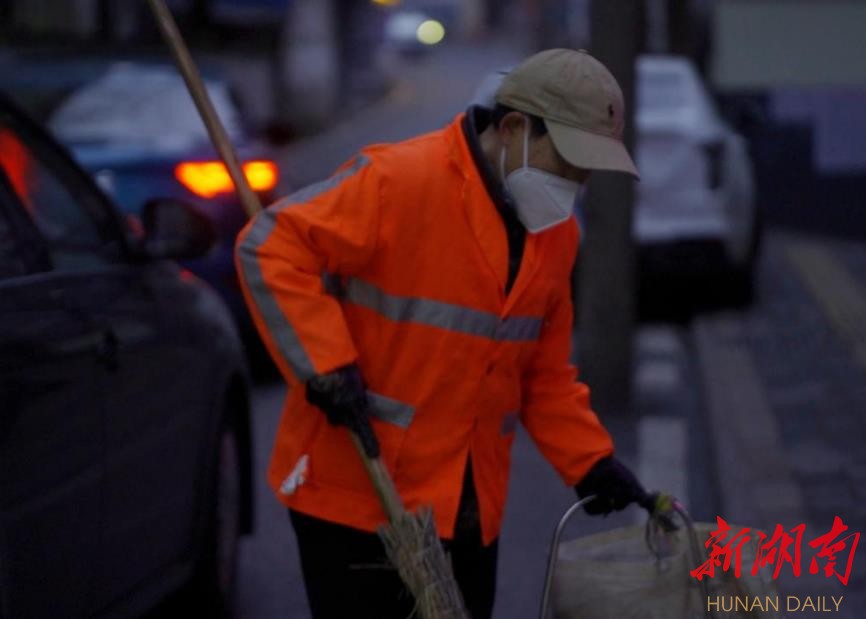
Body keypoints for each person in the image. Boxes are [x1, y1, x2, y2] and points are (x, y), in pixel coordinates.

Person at [235, 48, 651, 619]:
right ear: (513, 130)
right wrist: (324, 364)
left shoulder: (556, 238)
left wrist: (590, 463)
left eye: (587, 169)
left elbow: (544, 375)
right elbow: (271, 244)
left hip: (469, 512)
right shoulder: (398, 180)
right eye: (568, 161)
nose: (575, 182)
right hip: (361, 496)